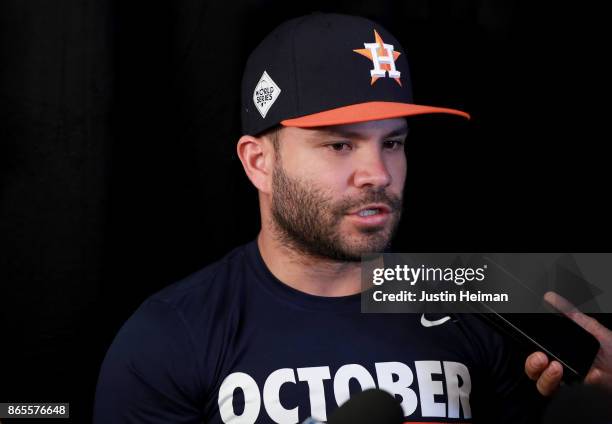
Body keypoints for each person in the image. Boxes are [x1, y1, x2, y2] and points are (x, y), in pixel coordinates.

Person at [93, 12, 612, 423]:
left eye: (393, 143)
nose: (378, 174)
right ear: (259, 162)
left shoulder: (474, 299)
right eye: (340, 144)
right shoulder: (172, 334)